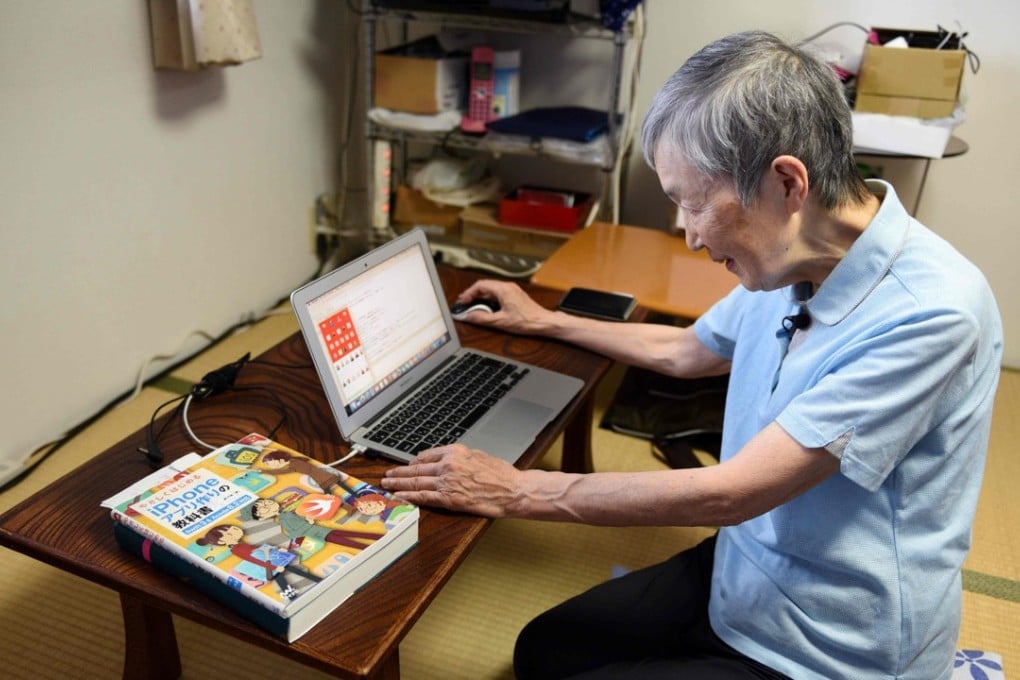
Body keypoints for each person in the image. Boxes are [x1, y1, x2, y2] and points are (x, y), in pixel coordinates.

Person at [380, 30, 1003, 679]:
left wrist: (512, 490)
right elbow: (685, 350)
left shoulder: (931, 313)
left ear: (786, 183)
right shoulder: (792, 252)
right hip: (746, 567)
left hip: (830, 643)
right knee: (546, 651)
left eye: (693, 202)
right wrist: (549, 321)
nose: (688, 233)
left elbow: (731, 493)